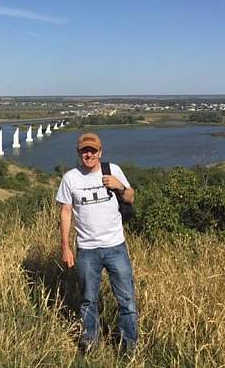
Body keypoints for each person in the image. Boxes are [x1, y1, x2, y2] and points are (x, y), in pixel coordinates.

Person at [56, 132, 138, 352]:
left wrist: (119, 186)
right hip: (86, 250)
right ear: (79, 153)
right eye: (85, 150)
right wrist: (65, 247)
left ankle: (128, 347)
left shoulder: (113, 170)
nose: (89, 154)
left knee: (127, 300)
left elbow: (131, 197)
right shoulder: (70, 178)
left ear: (100, 152)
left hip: (115, 247)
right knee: (88, 300)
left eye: (93, 150)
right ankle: (90, 343)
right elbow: (65, 212)